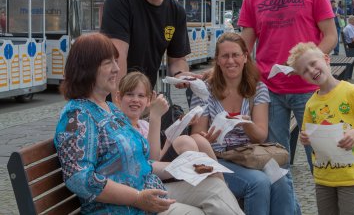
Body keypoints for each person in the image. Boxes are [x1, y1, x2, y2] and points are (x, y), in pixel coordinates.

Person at [54, 33, 244, 215]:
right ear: (87, 69)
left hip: (147, 191)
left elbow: (142, 164)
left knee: (215, 187)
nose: (116, 68)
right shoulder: (78, 116)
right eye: (108, 63)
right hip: (122, 207)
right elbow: (79, 178)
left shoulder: (110, 109)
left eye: (115, 61)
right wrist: (136, 198)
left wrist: (184, 168)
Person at [237, 0, 337, 214]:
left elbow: (329, 35)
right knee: (277, 166)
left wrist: (312, 64)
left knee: (322, 161)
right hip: (270, 92)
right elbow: (245, 45)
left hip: (310, 90)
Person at [190, 32, 295, 215]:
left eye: (235, 55)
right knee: (258, 182)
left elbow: (260, 135)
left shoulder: (258, 88)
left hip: (249, 156)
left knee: (282, 182)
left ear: (245, 57)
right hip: (218, 158)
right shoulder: (204, 91)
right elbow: (196, 135)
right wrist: (206, 138)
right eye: (225, 56)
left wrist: (246, 124)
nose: (231, 61)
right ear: (217, 60)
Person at [287, 42, 354, 215]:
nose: (311, 71)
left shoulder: (351, 91)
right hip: (323, 176)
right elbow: (307, 136)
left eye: (313, 64)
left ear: (326, 59)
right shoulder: (311, 104)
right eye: (305, 71)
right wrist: (305, 139)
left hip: (349, 175)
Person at [101, 0, 193, 97]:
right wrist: (119, 104)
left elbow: (177, 59)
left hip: (142, 98)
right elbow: (117, 57)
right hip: (113, 97)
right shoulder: (120, 1)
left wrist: (180, 74)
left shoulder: (176, 12)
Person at [116, 71, 218, 163]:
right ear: (119, 97)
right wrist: (155, 116)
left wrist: (181, 124)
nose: (135, 99)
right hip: (144, 175)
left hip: (157, 167)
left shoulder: (145, 126)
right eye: (129, 94)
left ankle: (217, 181)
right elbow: (152, 161)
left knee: (198, 141)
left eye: (141, 96)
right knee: (185, 142)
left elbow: (160, 155)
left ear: (149, 100)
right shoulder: (117, 127)